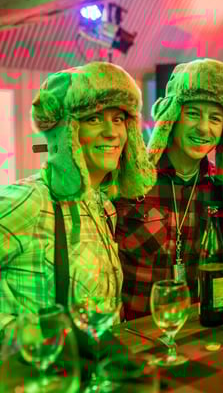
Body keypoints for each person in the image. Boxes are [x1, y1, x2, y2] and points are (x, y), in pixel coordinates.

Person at [0, 62, 154, 334]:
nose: (111, 132)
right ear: (65, 131)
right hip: (41, 362)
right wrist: (20, 335)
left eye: (118, 119)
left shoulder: (104, 208)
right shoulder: (33, 199)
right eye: (93, 119)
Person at [115, 59, 223, 320]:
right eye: (193, 113)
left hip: (197, 331)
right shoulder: (130, 179)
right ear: (171, 116)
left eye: (215, 118)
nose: (204, 128)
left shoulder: (222, 191)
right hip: (134, 334)